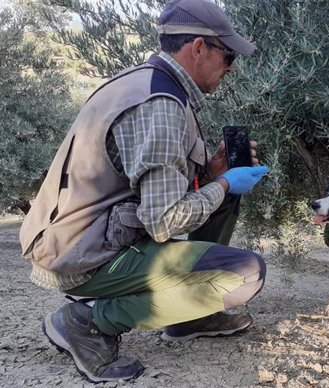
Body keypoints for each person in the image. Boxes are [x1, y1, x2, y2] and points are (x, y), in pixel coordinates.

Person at [18, 0, 269, 383]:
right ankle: (87, 321)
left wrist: (214, 175)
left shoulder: (147, 83)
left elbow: (149, 189)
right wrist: (222, 184)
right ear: (199, 47)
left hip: (81, 239)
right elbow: (163, 221)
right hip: (82, 256)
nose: (231, 67)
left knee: (224, 195)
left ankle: (191, 317)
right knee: (246, 274)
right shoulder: (161, 106)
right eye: (228, 54)